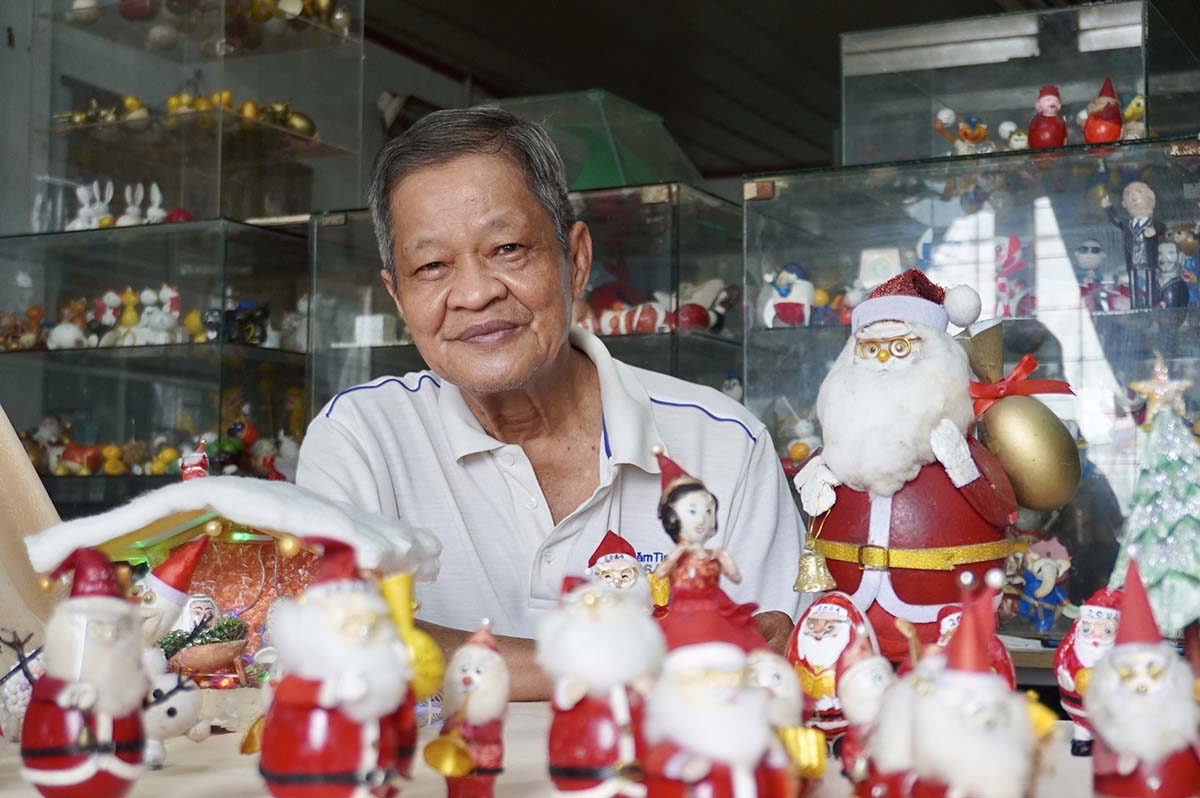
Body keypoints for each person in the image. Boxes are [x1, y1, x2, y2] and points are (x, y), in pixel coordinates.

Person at [296, 108, 802, 700]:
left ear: (576, 259)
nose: (476, 292)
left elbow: (775, 664)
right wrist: (636, 655)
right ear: (399, 297)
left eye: (507, 248)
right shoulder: (361, 438)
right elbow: (334, 643)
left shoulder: (721, 444)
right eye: (432, 266)